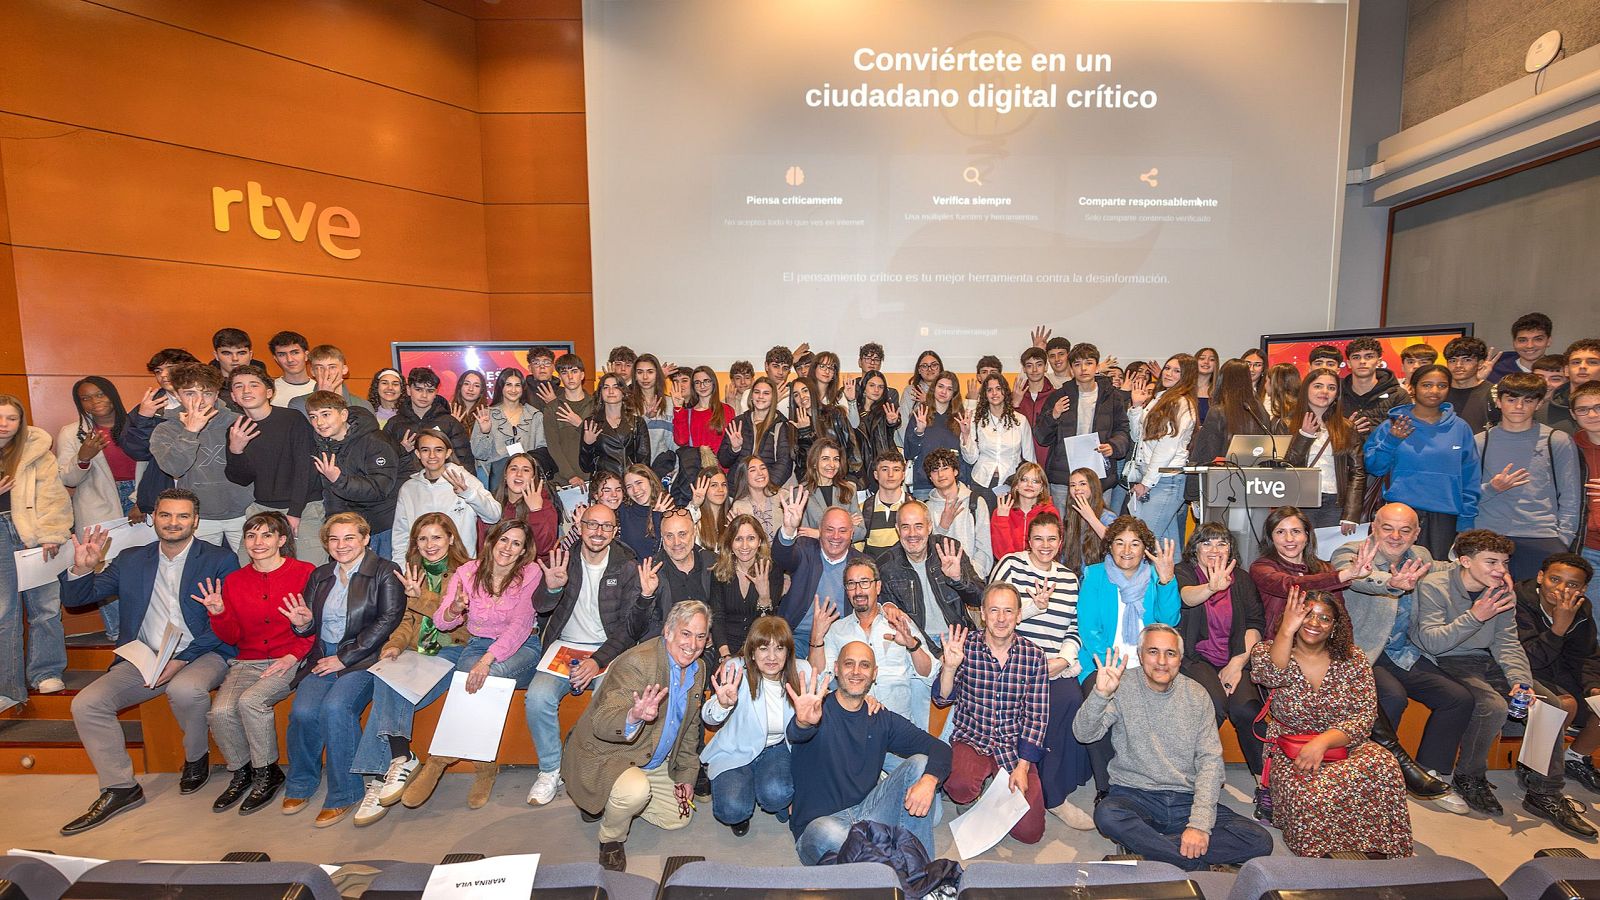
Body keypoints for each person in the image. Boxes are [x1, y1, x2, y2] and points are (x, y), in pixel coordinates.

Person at [58, 489, 239, 835]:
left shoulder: (219, 559)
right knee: (87, 704)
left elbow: (227, 623)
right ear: (154, 517)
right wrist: (81, 570)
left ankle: (196, 757)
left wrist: (182, 660)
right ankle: (120, 787)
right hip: (145, 654)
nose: (174, 523)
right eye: (166, 515)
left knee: (186, 690)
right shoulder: (130, 559)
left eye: (183, 516)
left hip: (203, 650)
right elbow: (78, 600)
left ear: (195, 522)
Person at [1413, 530, 1594, 835]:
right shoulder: (1434, 587)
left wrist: (1521, 681)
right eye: (1492, 562)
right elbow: (1432, 643)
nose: (1501, 570)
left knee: (1549, 704)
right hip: (1448, 659)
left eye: (1505, 563)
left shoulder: (1501, 592)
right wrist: (1474, 615)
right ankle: (1469, 777)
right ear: (1465, 560)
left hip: (1487, 659)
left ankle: (1544, 792)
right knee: (1492, 706)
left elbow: (1507, 643)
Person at [1075, 626, 1273, 872]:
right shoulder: (1121, 686)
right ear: (1140, 654)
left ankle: (1147, 853)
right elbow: (1084, 733)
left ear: (1180, 658)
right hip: (1135, 794)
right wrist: (1100, 695)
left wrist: (1199, 825)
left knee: (1259, 839)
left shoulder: (1197, 695)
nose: (1161, 661)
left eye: (1170, 653)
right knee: (1107, 815)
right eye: (1153, 651)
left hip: (1185, 798)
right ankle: (1193, 863)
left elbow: (1210, 763)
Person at [1249, 589, 1414, 857]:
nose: (1314, 623)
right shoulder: (1268, 651)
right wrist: (1286, 631)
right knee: (1315, 789)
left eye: (1324, 618)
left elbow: (1365, 716)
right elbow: (1270, 674)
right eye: (1306, 615)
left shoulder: (1353, 658)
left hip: (1343, 742)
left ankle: (1380, 846)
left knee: (1385, 766)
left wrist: (1323, 741)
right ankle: (1322, 852)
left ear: (1335, 626)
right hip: (1292, 747)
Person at [1332, 503, 1470, 812]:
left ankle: (1429, 774)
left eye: (1405, 530)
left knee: (1458, 698)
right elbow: (1356, 578)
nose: (1396, 536)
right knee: (1392, 697)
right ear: (1373, 528)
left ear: (1416, 533)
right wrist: (1390, 583)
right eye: (1387, 528)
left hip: (1404, 652)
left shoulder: (1420, 556)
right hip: (1363, 652)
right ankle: (1372, 778)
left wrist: (1484, 570)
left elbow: (1449, 570)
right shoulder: (1351, 551)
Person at [402, 520, 544, 810]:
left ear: (523, 551)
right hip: (477, 642)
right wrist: (455, 608)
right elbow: (443, 621)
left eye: (516, 543)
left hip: (522, 646)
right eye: (504, 540)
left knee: (485, 678)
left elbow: (519, 626)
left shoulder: (530, 573)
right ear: (492, 541)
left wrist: (486, 661)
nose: (508, 548)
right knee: (467, 682)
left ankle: (438, 760)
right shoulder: (467, 572)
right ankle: (485, 768)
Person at [562, 599, 711, 872]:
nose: (693, 644)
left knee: (678, 818)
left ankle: (611, 800)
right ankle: (611, 839)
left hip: (649, 755)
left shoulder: (697, 669)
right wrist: (633, 716)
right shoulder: (637, 663)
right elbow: (603, 721)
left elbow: (689, 728)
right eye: (686, 633)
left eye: (701, 636)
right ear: (668, 631)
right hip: (609, 753)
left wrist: (687, 775)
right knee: (635, 792)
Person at [523, 502, 651, 807]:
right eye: (592, 524)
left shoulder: (626, 565)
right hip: (564, 646)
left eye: (606, 526)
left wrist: (596, 662)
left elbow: (630, 628)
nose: (598, 532)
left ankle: (592, 769)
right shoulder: (562, 559)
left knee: (604, 704)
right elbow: (540, 607)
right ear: (580, 527)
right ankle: (550, 771)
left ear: (615, 531)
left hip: (607, 651)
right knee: (538, 698)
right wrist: (552, 588)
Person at [282, 512, 405, 827]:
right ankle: (300, 784)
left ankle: (344, 793)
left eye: (349, 537)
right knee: (303, 713)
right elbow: (309, 623)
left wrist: (345, 657)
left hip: (367, 657)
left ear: (365, 539)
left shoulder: (385, 571)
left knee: (336, 709)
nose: (341, 545)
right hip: (323, 654)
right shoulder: (321, 575)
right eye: (334, 539)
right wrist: (303, 623)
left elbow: (388, 620)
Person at [349, 513, 471, 825]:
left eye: (437, 537)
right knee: (385, 670)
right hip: (418, 651)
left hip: (453, 650)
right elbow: (405, 621)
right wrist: (395, 644)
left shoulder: (469, 573)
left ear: (451, 539)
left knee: (392, 687)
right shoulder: (410, 573)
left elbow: (463, 623)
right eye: (423, 538)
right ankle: (400, 758)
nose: (430, 545)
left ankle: (379, 777)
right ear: (415, 543)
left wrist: (422, 597)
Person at [788, 640, 950, 865]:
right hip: (820, 826)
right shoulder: (816, 710)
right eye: (849, 664)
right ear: (836, 668)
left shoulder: (880, 718)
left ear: (874, 674)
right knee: (827, 833)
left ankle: (919, 867)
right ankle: (893, 862)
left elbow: (940, 749)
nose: (856, 671)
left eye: (864, 665)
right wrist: (802, 722)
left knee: (921, 763)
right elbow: (796, 734)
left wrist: (929, 781)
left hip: (866, 814)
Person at [194, 512, 315, 814]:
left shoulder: (305, 572)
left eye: (266, 535)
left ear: (282, 540)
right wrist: (218, 612)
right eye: (251, 535)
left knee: (251, 702)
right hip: (247, 661)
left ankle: (267, 772)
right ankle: (242, 771)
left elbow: (318, 625)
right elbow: (233, 636)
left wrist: (295, 654)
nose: (258, 542)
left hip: (291, 658)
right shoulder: (234, 581)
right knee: (220, 711)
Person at [935, 584, 1050, 845]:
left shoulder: (1034, 657)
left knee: (1030, 834)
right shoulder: (966, 647)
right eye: (994, 610)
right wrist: (950, 668)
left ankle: (997, 787)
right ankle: (977, 791)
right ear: (983, 614)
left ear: (1019, 615)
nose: (1001, 618)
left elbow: (1037, 716)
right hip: (972, 738)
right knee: (959, 787)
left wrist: (1023, 767)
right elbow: (942, 698)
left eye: (1008, 611)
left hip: (1012, 746)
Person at [1075, 517, 1180, 795]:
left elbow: (1168, 622)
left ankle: (1147, 783)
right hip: (1103, 662)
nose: (1126, 550)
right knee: (1096, 706)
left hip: (1147, 664)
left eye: (1134, 543)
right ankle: (1106, 789)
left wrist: (1168, 580)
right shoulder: (1096, 575)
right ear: (1109, 546)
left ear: (1145, 548)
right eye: (1119, 543)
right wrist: (1112, 666)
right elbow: (1088, 627)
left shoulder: (1158, 575)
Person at [1174, 524, 1269, 813]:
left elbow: (1255, 624)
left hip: (1235, 658)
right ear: (1195, 549)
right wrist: (1211, 588)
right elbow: (1186, 597)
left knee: (1248, 709)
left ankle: (1265, 784)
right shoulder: (1185, 572)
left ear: (1231, 549)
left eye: (1221, 544)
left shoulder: (1241, 578)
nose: (1214, 550)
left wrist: (1238, 663)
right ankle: (1191, 777)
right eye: (1207, 544)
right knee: (1211, 703)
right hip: (1195, 659)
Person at [702, 616, 810, 836]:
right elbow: (709, 717)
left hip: (778, 749)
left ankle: (770, 793)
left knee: (776, 794)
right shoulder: (735, 668)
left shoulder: (803, 672)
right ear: (751, 652)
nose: (771, 657)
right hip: (735, 749)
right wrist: (722, 704)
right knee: (731, 810)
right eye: (763, 648)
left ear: (788, 652)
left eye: (779, 648)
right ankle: (744, 796)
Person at [1468, 373, 1581, 580]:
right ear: (1499, 402)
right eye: (1511, 399)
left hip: (1542, 536)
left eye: (1528, 400)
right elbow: (1466, 495)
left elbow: (1570, 495)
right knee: (1488, 606)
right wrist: (1493, 488)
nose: (1519, 406)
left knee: (1537, 607)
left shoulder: (1557, 440)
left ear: (1538, 404)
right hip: (1488, 536)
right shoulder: (1479, 442)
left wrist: (1563, 538)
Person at [1365, 364, 1482, 559]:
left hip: (1444, 519)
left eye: (1441, 385)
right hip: (1398, 516)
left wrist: (1466, 521)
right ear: (1412, 388)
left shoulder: (1460, 428)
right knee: (1393, 576)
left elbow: (1470, 478)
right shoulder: (1393, 425)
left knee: (1435, 578)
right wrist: (1391, 440)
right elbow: (1374, 467)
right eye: (1427, 385)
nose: (1434, 391)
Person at [57, 377, 143, 639]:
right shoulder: (71, 433)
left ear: (112, 395)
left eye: (100, 394)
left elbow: (156, 468)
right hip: (98, 505)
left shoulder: (138, 425)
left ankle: (144, 631)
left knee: (142, 565)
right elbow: (67, 479)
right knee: (102, 567)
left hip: (140, 502)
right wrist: (83, 457)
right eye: (86, 398)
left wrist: (143, 499)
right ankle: (118, 633)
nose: (95, 402)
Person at [0, 395, 71, 708]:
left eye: (11, 418)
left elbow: (53, 495)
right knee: (5, 613)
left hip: (35, 534)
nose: (4, 425)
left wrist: (53, 533)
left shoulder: (37, 450)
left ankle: (46, 671)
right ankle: (8, 687)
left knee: (46, 606)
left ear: (21, 421)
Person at [808, 556, 935, 728]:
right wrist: (816, 638)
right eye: (851, 584)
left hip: (897, 727)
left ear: (878, 586)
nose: (858, 591)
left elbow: (929, 674)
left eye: (865, 582)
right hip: (853, 727)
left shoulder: (899, 622)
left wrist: (912, 645)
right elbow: (819, 679)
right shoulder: (837, 630)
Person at [1515, 553, 1600, 794]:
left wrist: (1593, 686)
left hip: (1559, 672)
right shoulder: (1518, 601)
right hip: (1525, 672)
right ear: (1541, 577)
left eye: (1572, 584)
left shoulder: (1582, 607)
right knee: (1564, 704)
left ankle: (1575, 758)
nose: (1562, 589)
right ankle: (1535, 768)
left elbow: (1585, 655)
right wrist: (1559, 626)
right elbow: (1530, 658)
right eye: (1555, 579)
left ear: (1583, 589)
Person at [223, 366, 326, 564]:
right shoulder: (236, 429)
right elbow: (241, 479)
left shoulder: (292, 419)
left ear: (269, 392)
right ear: (233, 396)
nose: (246, 391)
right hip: (262, 509)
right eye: (239, 386)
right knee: (248, 569)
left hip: (303, 508)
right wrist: (236, 450)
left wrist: (295, 512)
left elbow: (306, 469)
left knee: (310, 572)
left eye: (254, 385)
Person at [149, 363, 254, 551]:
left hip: (244, 510)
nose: (199, 401)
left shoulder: (238, 421)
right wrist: (190, 431)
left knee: (250, 570)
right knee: (202, 572)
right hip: (199, 515)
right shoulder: (166, 429)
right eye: (190, 393)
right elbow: (174, 468)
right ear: (178, 395)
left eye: (206, 393)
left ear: (216, 395)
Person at [305, 391, 401, 560]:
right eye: (313, 417)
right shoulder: (325, 445)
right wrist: (332, 530)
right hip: (351, 530)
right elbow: (332, 495)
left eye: (325, 415)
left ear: (343, 415)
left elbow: (380, 488)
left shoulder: (375, 441)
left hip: (382, 527)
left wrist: (339, 480)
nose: (319, 422)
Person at [875, 500, 984, 649]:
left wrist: (958, 579)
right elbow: (889, 612)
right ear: (897, 529)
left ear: (930, 527)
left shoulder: (949, 550)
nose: (912, 534)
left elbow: (980, 599)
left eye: (919, 526)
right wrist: (936, 655)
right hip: (918, 643)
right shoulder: (886, 565)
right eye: (905, 527)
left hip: (959, 638)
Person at [1248, 505, 1372, 634]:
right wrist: (1346, 574)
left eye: (1296, 531)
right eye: (1280, 532)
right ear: (1271, 538)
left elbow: (1341, 618)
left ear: (1307, 536)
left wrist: (1346, 649)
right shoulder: (1261, 567)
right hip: (1275, 646)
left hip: (1318, 649)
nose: (1289, 539)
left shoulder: (1325, 569)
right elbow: (1291, 586)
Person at [1036, 343, 1129, 504]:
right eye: (1077, 364)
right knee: (1063, 527)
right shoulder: (1058, 396)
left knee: (1099, 525)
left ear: (1097, 366)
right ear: (1071, 368)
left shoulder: (1112, 397)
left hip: (1099, 475)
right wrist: (1054, 415)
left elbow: (1123, 430)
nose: (1083, 369)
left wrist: (1113, 446)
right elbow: (1041, 437)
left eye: (1088, 363)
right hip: (1064, 476)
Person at [389, 428, 500, 559]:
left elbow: (494, 515)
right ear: (418, 454)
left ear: (448, 453)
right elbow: (401, 535)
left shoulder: (465, 479)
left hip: (460, 566)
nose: (432, 455)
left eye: (438, 450)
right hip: (422, 567)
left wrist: (468, 494)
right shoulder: (408, 489)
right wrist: (404, 568)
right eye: (425, 450)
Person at [1126, 354, 1199, 547]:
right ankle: (1172, 579)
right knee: (1166, 547)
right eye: (1167, 368)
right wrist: (1136, 407)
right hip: (1153, 476)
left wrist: (1146, 484)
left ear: (1187, 376)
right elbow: (1137, 437)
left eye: (1177, 371)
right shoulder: (1159, 398)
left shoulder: (1182, 403)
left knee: (1143, 542)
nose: (1169, 373)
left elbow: (1167, 448)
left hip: (1165, 480)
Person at [772, 487, 856, 651]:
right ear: (820, 531)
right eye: (829, 530)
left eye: (843, 531)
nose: (836, 537)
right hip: (798, 636)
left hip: (841, 640)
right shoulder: (805, 550)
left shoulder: (861, 563)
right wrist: (789, 529)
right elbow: (781, 557)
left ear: (852, 534)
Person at [1284, 367, 1366, 532]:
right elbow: (1283, 466)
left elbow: (1358, 472)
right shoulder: (1285, 424)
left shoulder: (1346, 427)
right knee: (1298, 553)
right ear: (1306, 388)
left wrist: (1351, 514)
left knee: (1327, 555)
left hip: (1334, 502)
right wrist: (1304, 437)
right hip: (1298, 501)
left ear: (1337, 394)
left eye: (1331, 388)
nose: (1324, 391)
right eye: (1318, 386)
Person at [709, 514, 784, 660]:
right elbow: (718, 617)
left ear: (759, 541)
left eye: (751, 538)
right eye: (738, 539)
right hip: (726, 646)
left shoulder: (772, 570)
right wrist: (725, 656)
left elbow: (768, 624)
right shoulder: (719, 571)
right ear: (730, 543)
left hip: (760, 645)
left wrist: (764, 597)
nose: (744, 546)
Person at [384, 368, 473, 473]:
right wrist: (401, 449)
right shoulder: (394, 423)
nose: (424, 395)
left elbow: (465, 461)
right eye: (418, 389)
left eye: (430, 391)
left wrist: (464, 486)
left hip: (443, 484)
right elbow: (382, 461)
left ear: (436, 393)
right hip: (404, 484)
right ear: (408, 390)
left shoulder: (450, 423)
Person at [470, 367, 545, 491]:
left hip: (526, 480)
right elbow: (479, 454)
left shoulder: (535, 416)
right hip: (495, 479)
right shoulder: (486, 414)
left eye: (517, 385)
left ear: (523, 388)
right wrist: (485, 432)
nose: (513, 390)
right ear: (501, 387)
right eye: (508, 385)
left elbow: (541, 449)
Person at [923, 448, 993, 575]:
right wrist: (942, 527)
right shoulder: (925, 508)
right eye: (935, 470)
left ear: (955, 471)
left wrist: (970, 576)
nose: (940, 475)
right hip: (939, 581)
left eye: (945, 468)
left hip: (972, 579)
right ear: (930, 477)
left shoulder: (976, 502)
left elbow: (984, 549)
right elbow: (924, 552)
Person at [963, 372, 1036, 493]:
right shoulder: (977, 419)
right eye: (989, 390)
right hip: (982, 481)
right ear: (985, 394)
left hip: (1012, 482)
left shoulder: (1020, 420)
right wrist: (965, 434)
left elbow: (1030, 459)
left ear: (1005, 392)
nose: (994, 393)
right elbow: (970, 459)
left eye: (998, 389)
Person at [718, 376, 795, 489]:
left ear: (773, 397)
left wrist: (766, 488)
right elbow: (724, 461)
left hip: (766, 492)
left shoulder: (782, 426)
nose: (760, 396)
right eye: (757, 392)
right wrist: (734, 449)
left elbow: (784, 465)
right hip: (736, 490)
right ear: (751, 396)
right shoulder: (738, 422)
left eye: (766, 393)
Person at [574, 373, 655, 479]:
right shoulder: (591, 423)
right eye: (606, 387)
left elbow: (643, 464)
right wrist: (587, 445)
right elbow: (585, 467)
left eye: (616, 387)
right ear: (600, 393)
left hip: (628, 484)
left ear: (623, 392)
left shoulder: (637, 423)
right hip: (603, 486)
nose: (611, 391)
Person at [903, 371, 966, 498]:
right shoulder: (920, 414)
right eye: (940, 386)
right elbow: (909, 453)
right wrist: (919, 432)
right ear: (934, 388)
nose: (944, 392)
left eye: (949, 389)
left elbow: (966, 457)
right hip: (924, 485)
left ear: (954, 394)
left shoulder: (960, 419)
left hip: (954, 486)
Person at [1568, 381, 1600, 602]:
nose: (1591, 414)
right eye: (1583, 409)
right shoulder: (1568, 447)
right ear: (1573, 414)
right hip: (1589, 547)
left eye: (1598, 407)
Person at [797, 438, 864, 542]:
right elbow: (803, 536)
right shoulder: (801, 493)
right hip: (813, 554)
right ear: (814, 462)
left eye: (836, 459)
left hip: (844, 554)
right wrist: (846, 525)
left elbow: (860, 532)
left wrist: (818, 533)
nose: (832, 464)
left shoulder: (849, 489)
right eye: (825, 459)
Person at [1339, 337, 1410, 434]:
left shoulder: (1397, 395)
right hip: (1343, 448)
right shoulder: (1337, 394)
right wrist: (1344, 432)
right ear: (1349, 363)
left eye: (1369, 357)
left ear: (1379, 361)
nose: (1362, 361)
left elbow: (1404, 434)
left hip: (1382, 449)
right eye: (1356, 357)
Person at [989, 461, 1056, 560]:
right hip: (1009, 568)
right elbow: (1001, 553)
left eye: (1035, 481)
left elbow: (1050, 550)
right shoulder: (1001, 511)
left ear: (1042, 488)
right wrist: (1002, 520)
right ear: (1016, 485)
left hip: (1040, 568)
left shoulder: (1050, 512)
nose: (1029, 484)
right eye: (1024, 480)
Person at [287, 345, 374, 418]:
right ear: (312, 372)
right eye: (319, 368)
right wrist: (323, 397)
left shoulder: (363, 405)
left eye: (332, 367)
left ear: (344, 370)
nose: (326, 373)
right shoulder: (299, 403)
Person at [851, 372, 901, 493]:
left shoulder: (886, 410)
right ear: (864, 388)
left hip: (881, 466)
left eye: (881, 387)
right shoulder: (853, 410)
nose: (876, 390)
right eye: (872, 385)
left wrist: (892, 422)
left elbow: (890, 429)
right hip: (858, 469)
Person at [1060, 468, 1117, 574]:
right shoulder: (1071, 515)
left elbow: (1116, 543)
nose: (1077, 488)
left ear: (1093, 486)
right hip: (1076, 575)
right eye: (1072, 485)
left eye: (1082, 484)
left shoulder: (1107, 516)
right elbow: (1066, 553)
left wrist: (1091, 518)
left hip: (1100, 576)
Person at [1541, 339, 1600, 435]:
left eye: (1592, 362)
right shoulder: (1543, 412)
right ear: (1566, 370)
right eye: (1576, 362)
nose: (1582, 367)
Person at [675, 366, 734, 459]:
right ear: (693, 386)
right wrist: (678, 409)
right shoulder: (687, 413)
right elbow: (681, 441)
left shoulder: (727, 410)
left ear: (713, 383)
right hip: (697, 469)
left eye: (706, 381)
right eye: (697, 382)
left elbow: (731, 444)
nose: (702, 386)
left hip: (722, 470)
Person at [856, 450, 909, 553]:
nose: (890, 474)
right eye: (885, 469)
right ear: (876, 475)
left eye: (896, 469)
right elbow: (857, 553)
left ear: (903, 475)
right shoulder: (861, 510)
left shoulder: (918, 508)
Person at [1443, 336, 1496, 434]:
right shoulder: (1439, 392)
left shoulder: (1493, 393)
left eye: (1467, 360)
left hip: (1480, 448)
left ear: (1480, 363)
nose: (1458, 365)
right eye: (1452, 360)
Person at [1013, 347, 1056, 467]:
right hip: (1021, 464)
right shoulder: (1015, 397)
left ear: (1046, 367)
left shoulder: (1056, 396)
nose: (1035, 370)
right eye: (1029, 365)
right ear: (1024, 369)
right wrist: (1015, 405)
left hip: (1049, 462)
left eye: (1039, 364)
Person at [1490, 313, 1555, 383]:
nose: (1530, 346)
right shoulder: (1494, 373)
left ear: (1548, 341)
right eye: (1522, 340)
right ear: (1514, 342)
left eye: (1538, 339)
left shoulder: (1560, 373)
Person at [730, 455, 782, 540]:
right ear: (744, 476)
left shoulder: (783, 497)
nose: (760, 473)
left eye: (763, 468)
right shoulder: (738, 507)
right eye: (753, 470)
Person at [267, 331, 316, 409]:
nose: (289, 359)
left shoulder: (319, 388)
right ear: (276, 359)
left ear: (306, 355)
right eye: (282, 355)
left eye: (295, 353)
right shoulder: (267, 390)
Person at [694, 467, 731, 549]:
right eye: (714, 485)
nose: (720, 489)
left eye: (723, 485)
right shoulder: (695, 519)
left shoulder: (732, 516)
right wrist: (694, 505)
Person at [1262, 363, 1303, 430]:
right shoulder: (1302, 409)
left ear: (1274, 384)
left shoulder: (1281, 419)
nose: (1265, 385)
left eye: (1266, 381)